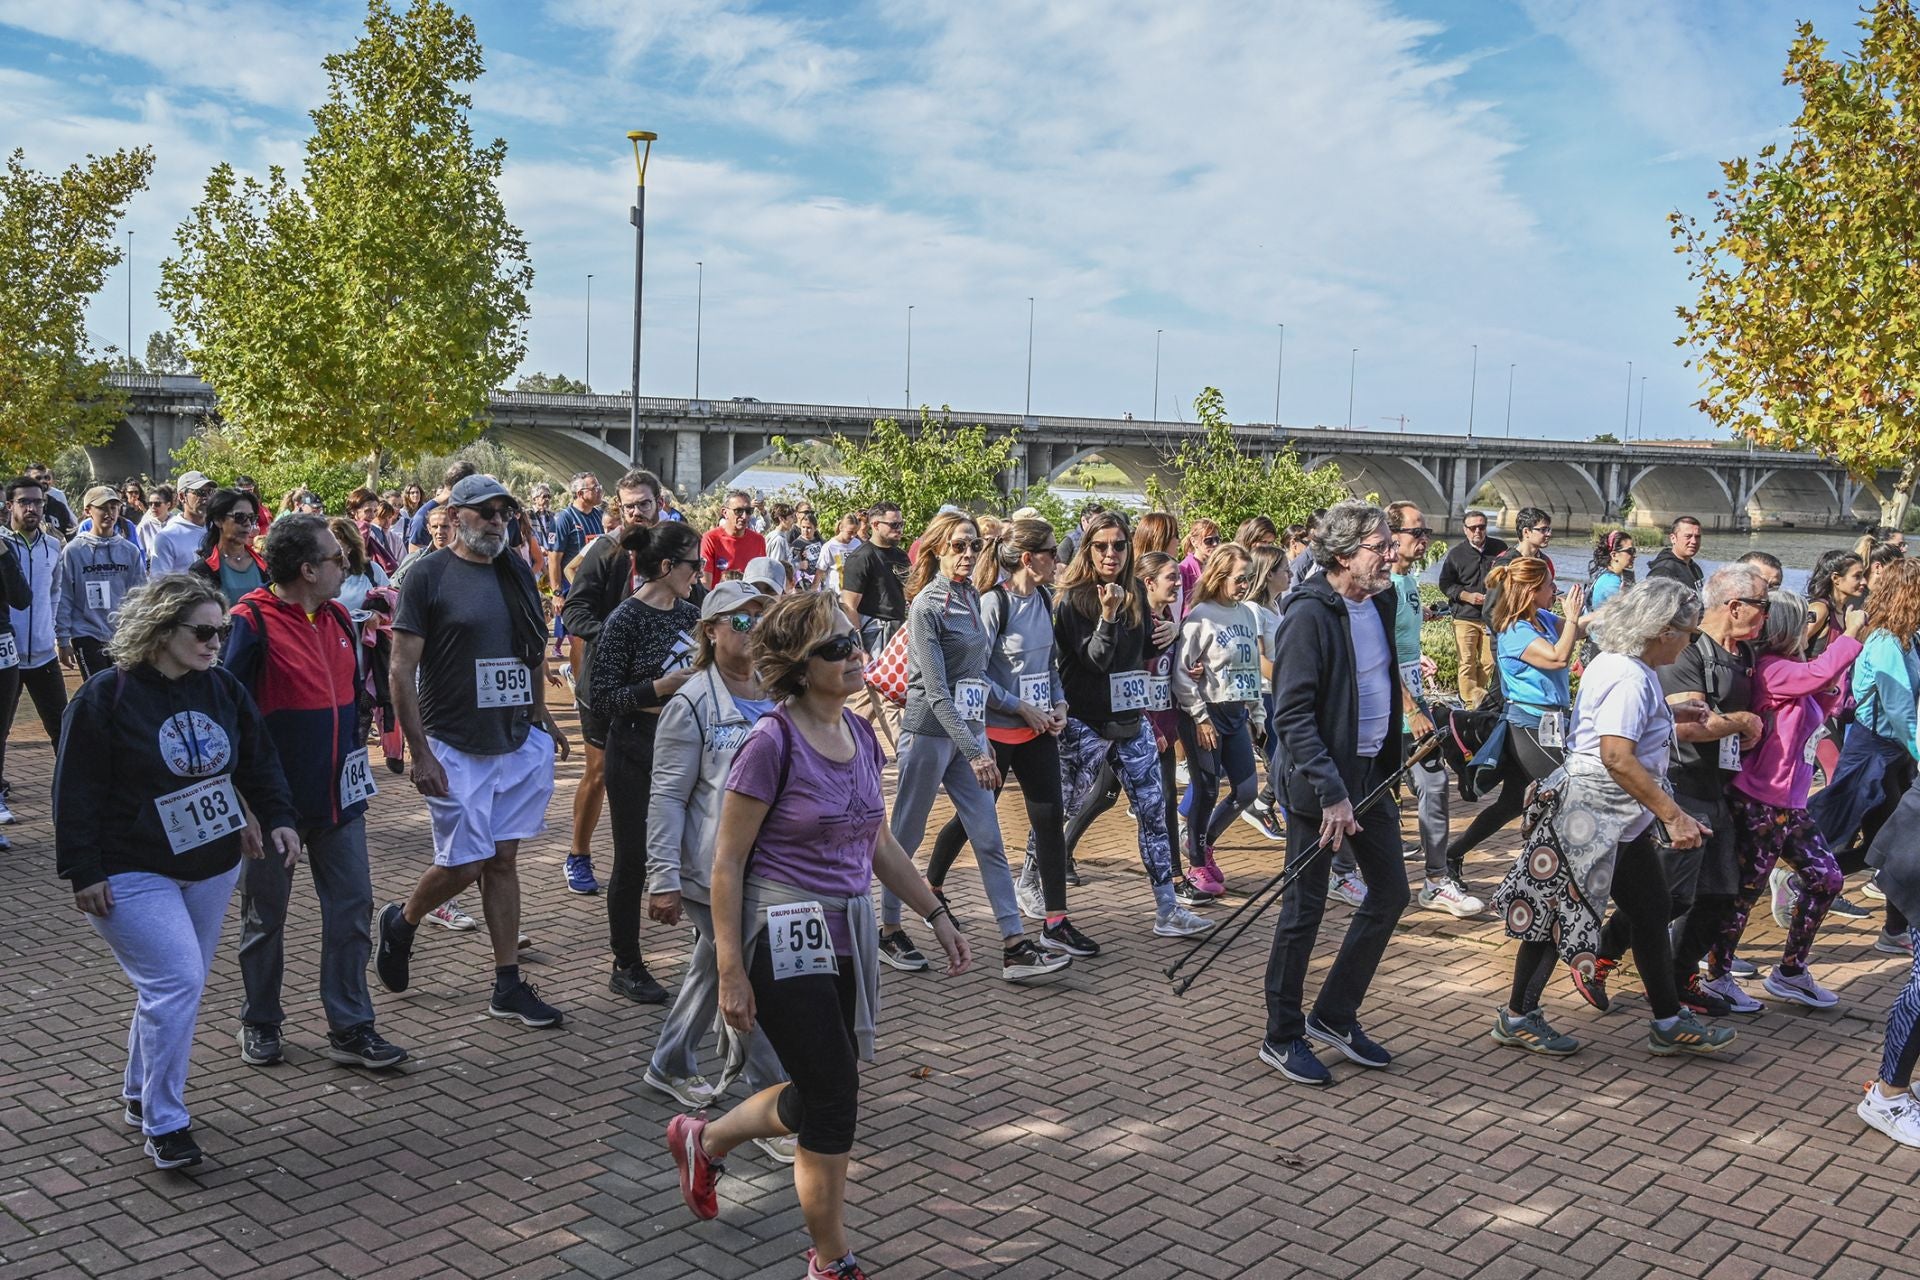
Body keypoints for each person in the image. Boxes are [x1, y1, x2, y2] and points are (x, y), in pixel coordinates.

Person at [666, 593, 972, 1280]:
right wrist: (730, 969)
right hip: (780, 930)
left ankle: (705, 1139)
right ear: (799, 667)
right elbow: (727, 863)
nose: (854, 655)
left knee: (818, 1088)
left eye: (854, 641)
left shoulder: (863, 736)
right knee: (834, 1098)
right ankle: (831, 1261)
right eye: (835, 648)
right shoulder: (769, 743)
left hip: (847, 928)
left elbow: (878, 843)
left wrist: (936, 912)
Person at [55, 574, 300, 1168]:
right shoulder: (104, 697)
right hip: (131, 867)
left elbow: (257, 759)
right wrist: (82, 870)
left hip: (212, 863)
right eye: (203, 630)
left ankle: (139, 1094)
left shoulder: (222, 687)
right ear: (161, 629)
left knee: (169, 986)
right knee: (177, 981)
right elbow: (75, 791)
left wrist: (275, 816)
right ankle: (166, 1121)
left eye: (222, 630)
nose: (217, 640)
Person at [1489, 578, 1737, 1059]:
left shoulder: (1621, 664)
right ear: (1662, 630)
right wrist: (1674, 816)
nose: (1690, 641)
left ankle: (1667, 1020)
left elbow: (1617, 732)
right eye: (1687, 632)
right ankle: (1518, 1015)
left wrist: (1670, 710)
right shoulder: (1630, 676)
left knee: (1648, 911)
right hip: (1595, 813)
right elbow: (1617, 756)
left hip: (1613, 816)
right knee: (1556, 915)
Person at [374, 475, 571, 1027]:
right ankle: (404, 920)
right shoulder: (428, 575)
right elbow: (401, 669)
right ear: (456, 515)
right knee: (466, 862)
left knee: (503, 859)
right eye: (485, 513)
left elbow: (530, 650)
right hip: (453, 742)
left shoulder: (515, 571)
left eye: (504, 513)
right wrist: (420, 754)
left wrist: (543, 718)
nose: (497, 521)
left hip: (513, 739)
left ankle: (506, 984)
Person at [223, 515, 408, 1071]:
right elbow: (228, 715)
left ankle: (351, 1027)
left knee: (352, 909)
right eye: (334, 558)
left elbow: (354, 698)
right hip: (273, 806)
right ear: (307, 570)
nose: (346, 563)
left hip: (339, 800)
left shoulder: (338, 619)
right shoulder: (249, 622)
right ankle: (260, 1020)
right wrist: (246, 805)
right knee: (265, 917)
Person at [875, 512, 1070, 983]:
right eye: (959, 546)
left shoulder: (969, 596)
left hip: (966, 734)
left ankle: (1014, 944)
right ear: (937, 550)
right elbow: (937, 690)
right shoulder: (926, 606)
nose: (967, 554)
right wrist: (978, 750)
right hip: (928, 734)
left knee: (989, 839)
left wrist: (1017, 706)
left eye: (974, 545)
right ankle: (888, 928)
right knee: (905, 834)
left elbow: (976, 680)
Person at [1259, 501, 1407, 1087]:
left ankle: (1335, 1015)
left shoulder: (1382, 600)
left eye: (1392, 543)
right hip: (1319, 786)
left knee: (1391, 892)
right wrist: (1331, 792)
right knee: (1305, 908)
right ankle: (1282, 1034)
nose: (1392, 554)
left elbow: (1379, 680)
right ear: (1344, 554)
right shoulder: (1308, 615)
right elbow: (1291, 716)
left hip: (1371, 776)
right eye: (1382, 546)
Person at [642, 581, 792, 1145]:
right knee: (747, 978)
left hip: (769, 864)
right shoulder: (691, 703)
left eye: (762, 616)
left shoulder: (778, 691)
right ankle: (773, 1107)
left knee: (714, 965)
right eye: (742, 620)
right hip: (713, 872)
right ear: (711, 631)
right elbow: (667, 797)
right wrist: (663, 879)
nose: (755, 628)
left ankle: (670, 1060)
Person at [1586, 565, 1769, 1017]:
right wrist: (1740, 722)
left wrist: (1683, 718)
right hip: (1666, 793)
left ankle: (1676, 986)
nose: (1766, 612)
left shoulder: (1734, 654)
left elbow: (1664, 723)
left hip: (1705, 789)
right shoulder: (1651, 665)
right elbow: (1619, 753)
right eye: (1763, 603)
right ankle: (1595, 964)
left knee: (1714, 894)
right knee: (1658, 900)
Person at [925, 519, 1096, 956]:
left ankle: (1056, 922)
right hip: (997, 733)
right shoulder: (992, 603)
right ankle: (932, 886)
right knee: (973, 820)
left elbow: (1050, 665)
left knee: (1049, 822)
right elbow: (974, 676)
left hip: (1038, 730)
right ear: (1027, 558)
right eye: (1051, 553)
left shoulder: (1043, 597)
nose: (1058, 560)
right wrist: (1020, 707)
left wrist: (1058, 707)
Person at [1705, 590, 1864, 1010]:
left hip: (1790, 802)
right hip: (1760, 798)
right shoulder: (1772, 669)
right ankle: (1716, 975)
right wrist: (1848, 634)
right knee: (1745, 892)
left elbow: (1822, 699)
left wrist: (1831, 683)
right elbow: (1816, 676)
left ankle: (1791, 971)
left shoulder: (1793, 669)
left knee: (1826, 878)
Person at [589, 520, 704, 1004]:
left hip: (685, 749)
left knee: (699, 852)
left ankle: (710, 950)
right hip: (634, 748)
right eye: (693, 564)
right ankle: (627, 963)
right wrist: (660, 688)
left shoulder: (694, 615)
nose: (699, 574)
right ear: (665, 566)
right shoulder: (625, 619)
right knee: (633, 859)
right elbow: (602, 697)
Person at [1440, 558, 1583, 885]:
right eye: (1549, 586)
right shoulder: (1515, 630)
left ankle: (1453, 853)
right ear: (1531, 591)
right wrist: (1573, 617)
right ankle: (1547, 879)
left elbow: (1581, 630)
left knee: (1511, 804)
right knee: (1565, 794)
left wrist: (1624, 610)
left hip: (1551, 722)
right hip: (1529, 724)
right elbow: (1558, 656)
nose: (1555, 591)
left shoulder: (1542, 618)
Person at [1808, 559, 1920, 955]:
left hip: (1893, 755)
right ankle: (1802, 880)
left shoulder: (1908, 638)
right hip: (1873, 751)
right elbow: (1900, 708)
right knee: (1853, 834)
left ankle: (1893, 929)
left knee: (1890, 845)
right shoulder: (1886, 642)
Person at [560, 470, 663, 898]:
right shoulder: (605, 550)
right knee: (599, 771)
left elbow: (696, 602)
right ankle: (578, 854)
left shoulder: (672, 547)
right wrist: (612, 636)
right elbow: (575, 609)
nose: (636, 511)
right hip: (603, 680)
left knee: (660, 776)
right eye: (628, 505)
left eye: (643, 503)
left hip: (656, 685)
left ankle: (654, 863)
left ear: (659, 502)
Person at [1384, 504, 1473, 917]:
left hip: (1411, 705)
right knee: (1373, 794)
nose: (1425, 539)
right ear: (1392, 535)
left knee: (1434, 787)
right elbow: (1378, 655)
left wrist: (1417, 662)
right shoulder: (1383, 587)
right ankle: (1343, 870)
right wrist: (1409, 706)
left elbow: (1400, 648)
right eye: (1417, 532)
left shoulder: (1410, 581)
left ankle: (1436, 881)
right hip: (1388, 711)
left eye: (1427, 532)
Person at [1173, 542, 1265, 890]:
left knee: (1246, 789)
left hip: (1236, 711)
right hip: (1206, 712)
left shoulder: (1245, 613)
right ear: (1220, 576)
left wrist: (1256, 713)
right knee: (1207, 788)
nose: (1245, 585)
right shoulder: (1201, 616)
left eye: (1250, 578)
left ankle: (1202, 843)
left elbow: (1251, 667)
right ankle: (1196, 863)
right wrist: (1200, 717)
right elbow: (1182, 673)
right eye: (1240, 578)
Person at [3, 475, 68, 788]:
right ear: (10, 506)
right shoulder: (2, 547)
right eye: (24, 502)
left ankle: (71, 787)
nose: (32, 508)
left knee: (63, 727)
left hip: (43, 654)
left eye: (38, 502)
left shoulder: (54, 546)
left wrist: (51, 630)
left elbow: (55, 592)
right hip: (7, 657)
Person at [59, 486, 147, 678]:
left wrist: (142, 632)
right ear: (88, 510)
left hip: (123, 634)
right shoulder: (74, 551)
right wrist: (63, 640)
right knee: (97, 692)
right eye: (103, 508)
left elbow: (140, 595)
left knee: (124, 693)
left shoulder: (129, 551)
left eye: (114, 507)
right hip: (87, 634)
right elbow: (64, 596)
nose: (109, 513)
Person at [839, 501, 909, 743]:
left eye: (901, 523)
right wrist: (860, 648)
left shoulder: (901, 556)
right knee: (888, 699)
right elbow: (849, 606)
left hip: (898, 631)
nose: (899, 529)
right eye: (893, 524)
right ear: (875, 525)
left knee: (871, 699)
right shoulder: (862, 558)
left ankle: (844, 743)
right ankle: (906, 754)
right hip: (874, 632)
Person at [1437, 509, 1506, 705]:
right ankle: (1468, 702)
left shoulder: (1499, 548)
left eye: (1482, 527)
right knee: (1466, 662)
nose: (1478, 531)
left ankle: (1482, 699)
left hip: (1491, 617)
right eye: (1473, 528)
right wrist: (1467, 596)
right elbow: (1445, 584)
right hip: (1465, 616)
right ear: (1465, 530)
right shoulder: (1456, 554)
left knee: (1489, 662)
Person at [188, 488, 267, 606]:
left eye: (251, 518)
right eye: (239, 517)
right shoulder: (202, 571)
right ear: (218, 520)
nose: (247, 524)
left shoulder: (266, 565)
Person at [548, 472, 606, 596]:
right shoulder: (564, 519)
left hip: (596, 587)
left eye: (599, 487)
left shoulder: (600, 515)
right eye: (595, 488)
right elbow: (553, 559)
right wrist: (557, 593)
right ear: (580, 494)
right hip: (571, 589)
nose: (600, 491)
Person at [149, 472, 216, 575]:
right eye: (200, 492)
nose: (206, 497)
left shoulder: (218, 529)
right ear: (181, 496)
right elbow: (159, 583)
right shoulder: (167, 537)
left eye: (210, 492)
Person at [700, 489, 768, 588]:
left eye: (748, 511)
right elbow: (705, 584)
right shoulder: (711, 539)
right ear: (725, 512)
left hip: (749, 600)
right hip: (720, 600)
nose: (744, 516)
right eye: (738, 511)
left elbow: (761, 580)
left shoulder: (758, 540)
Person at [328, 518, 392, 613]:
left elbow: (392, 601)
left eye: (338, 549)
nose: (330, 552)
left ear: (350, 546)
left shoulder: (372, 570)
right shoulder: (318, 576)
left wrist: (378, 616)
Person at [392, 504, 453, 588]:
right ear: (429, 529)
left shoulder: (467, 559)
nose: (439, 531)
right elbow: (395, 585)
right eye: (435, 527)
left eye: (445, 526)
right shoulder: (417, 558)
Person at [1645, 516, 1705, 590]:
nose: (1694, 541)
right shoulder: (1663, 571)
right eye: (1688, 536)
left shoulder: (1694, 567)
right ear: (1673, 538)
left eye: (1697, 537)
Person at [1176, 518, 1221, 614]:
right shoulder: (1184, 569)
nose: (1215, 544)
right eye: (1208, 541)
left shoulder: (1218, 565)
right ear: (1193, 541)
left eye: (1217, 539)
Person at [1588, 530, 1637, 607]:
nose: (1634, 556)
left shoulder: (1605, 574)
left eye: (1634, 551)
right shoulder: (1611, 582)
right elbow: (1627, 612)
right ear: (1614, 555)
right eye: (1630, 551)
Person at [820, 512, 862, 594]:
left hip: (853, 593)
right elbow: (820, 572)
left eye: (855, 532)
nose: (853, 536)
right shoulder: (829, 546)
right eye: (850, 532)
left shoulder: (857, 543)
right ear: (841, 527)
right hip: (835, 594)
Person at [136, 484, 175, 564]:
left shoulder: (177, 524)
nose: (153, 507)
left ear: (168, 504)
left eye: (157, 504)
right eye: (150, 504)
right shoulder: (144, 526)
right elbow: (137, 553)